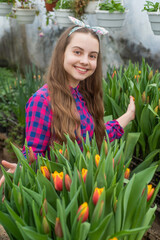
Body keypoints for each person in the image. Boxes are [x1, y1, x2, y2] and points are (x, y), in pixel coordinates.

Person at [0, 17, 135, 186]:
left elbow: (93, 135)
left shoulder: (84, 96)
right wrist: (20, 168)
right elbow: (34, 154)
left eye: (92, 56)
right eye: (77, 52)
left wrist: (129, 115)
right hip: (60, 195)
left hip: (85, 186)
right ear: (62, 53)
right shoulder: (42, 101)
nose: (85, 61)